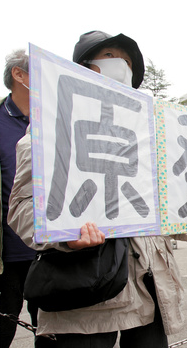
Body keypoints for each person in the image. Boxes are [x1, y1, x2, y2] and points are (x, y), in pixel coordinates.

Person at [8, 30, 187, 348]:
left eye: (128, 61)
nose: (123, 67)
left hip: (148, 288)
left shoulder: (149, 132)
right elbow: (21, 208)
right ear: (83, 68)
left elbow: (160, 202)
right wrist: (65, 235)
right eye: (112, 57)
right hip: (85, 295)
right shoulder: (52, 122)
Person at [0, 49, 42, 348]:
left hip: (50, 252)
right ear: (19, 75)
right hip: (7, 257)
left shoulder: (52, 121)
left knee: (54, 335)